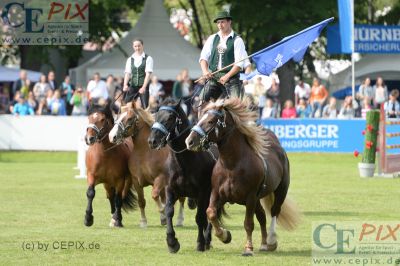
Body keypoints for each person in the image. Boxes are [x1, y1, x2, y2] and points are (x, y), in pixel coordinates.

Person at [198, 10, 248, 102]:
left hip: (232, 80)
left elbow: (239, 64)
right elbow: (203, 58)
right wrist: (205, 71)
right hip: (214, 78)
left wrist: (227, 76)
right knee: (199, 103)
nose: (220, 25)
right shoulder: (212, 38)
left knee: (236, 110)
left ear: (229, 22)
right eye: (218, 23)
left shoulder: (237, 40)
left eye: (222, 22)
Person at [123, 39, 153, 108]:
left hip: (143, 86)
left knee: (145, 107)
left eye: (139, 46)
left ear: (142, 46)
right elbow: (127, 73)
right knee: (125, 105)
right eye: (135, 46)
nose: (137, 48)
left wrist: (143, 87)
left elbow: (148, 74)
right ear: (133, 47)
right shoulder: (130, 59)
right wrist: (125, 85)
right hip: (133, 85)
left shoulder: (148, 58)